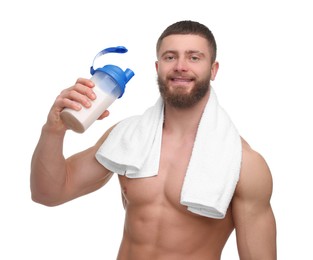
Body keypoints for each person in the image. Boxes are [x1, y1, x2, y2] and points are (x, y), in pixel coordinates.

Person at [30, 20, 277, 259]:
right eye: (170, 57)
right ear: (158, 68)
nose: (181, 66)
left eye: (194, 57)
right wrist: (53, 130)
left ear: (213, 70)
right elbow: (48, 193)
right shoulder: (126, 139)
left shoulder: (244, 164)